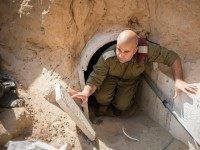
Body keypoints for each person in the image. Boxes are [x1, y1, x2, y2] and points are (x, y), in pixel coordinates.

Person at [70, 30, 198, 116]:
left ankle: (115, 109)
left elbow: (172, 57)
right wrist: (86, 92)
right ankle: (103, 106)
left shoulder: (146, 50)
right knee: (101, 97)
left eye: (126, 52)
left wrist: (179, 80)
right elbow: (95, 78)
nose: (120, 54)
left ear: (135, 50)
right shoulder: (107, 56)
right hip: (110, 77)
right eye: (118, 49)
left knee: (122, 106)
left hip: (130, 80)